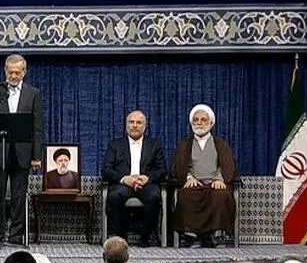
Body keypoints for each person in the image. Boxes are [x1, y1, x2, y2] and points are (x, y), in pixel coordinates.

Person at [0, 54, 44, 248]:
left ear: (24, 72)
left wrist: (36, 156)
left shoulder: (33, 93)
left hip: (23, 153)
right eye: (10, 72)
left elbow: (37, 127)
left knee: (19, 197)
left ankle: (16, 236)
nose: (14, 76)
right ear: (5, 71)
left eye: (17, 72)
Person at [170, 104, 239, 248]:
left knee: (220, 196)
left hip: (215, 183)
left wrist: (220, 178)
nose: (199, 123)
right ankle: (193, 236)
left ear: (211, 123)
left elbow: (227, 165)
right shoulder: (184, 145)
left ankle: (216, 235)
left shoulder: (221, 145)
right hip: (194, 184)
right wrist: (189, 177)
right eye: (196, 120)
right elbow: (179, 167)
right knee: (186, 196)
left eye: (203, 120)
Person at [101, 111, 166, 246]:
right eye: (131, 122)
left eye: (139, 122)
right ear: (126, 125)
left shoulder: (154, 145)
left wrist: (147, 178)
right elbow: (106, 170)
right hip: (123, 184)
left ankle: (145, 237)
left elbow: (162, 170)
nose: (135, 125)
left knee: (154, 196)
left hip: (146, 184)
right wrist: (124, 179)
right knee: (114, 196)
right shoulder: (115, 145)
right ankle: (120, 237)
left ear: (145, 126)